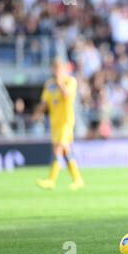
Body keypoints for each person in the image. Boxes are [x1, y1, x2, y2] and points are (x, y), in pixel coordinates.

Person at [32, 59, 85, 191]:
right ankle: (78, 179)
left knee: (58, 148)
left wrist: (60, 83)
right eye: (54, 69)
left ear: (64, 69)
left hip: (66, 121)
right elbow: (45, 102)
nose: (56, 71)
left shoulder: (70, 81)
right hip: (54, 123)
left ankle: (51, 180)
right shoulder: (49, 84)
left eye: (59, 69)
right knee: (66, 151)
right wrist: (37, 113)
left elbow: (67, 95)